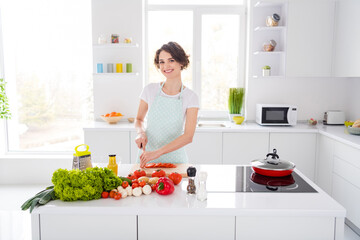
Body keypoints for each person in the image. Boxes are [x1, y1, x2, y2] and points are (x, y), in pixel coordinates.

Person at [135, 42, 199, 168]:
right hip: (147, 158)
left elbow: (188, 136)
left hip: (176, 161)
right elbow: (139, 119)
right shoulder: (149, 90)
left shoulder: (191, 97)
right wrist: (141, 133)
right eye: (162, 62)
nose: (166, 66)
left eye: (171, 60)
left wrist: (157, 153)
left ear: (181, 62)